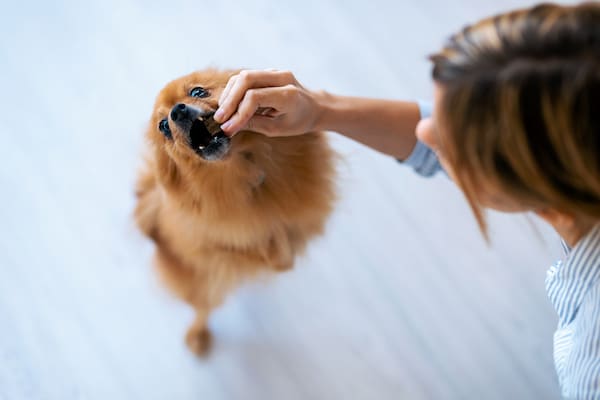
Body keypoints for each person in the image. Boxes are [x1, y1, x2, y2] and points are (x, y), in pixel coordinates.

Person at [213, 2, 600, 398]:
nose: (425, 131)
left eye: (452, 142)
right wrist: (320, 110)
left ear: (549, 191)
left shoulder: (591, 367)